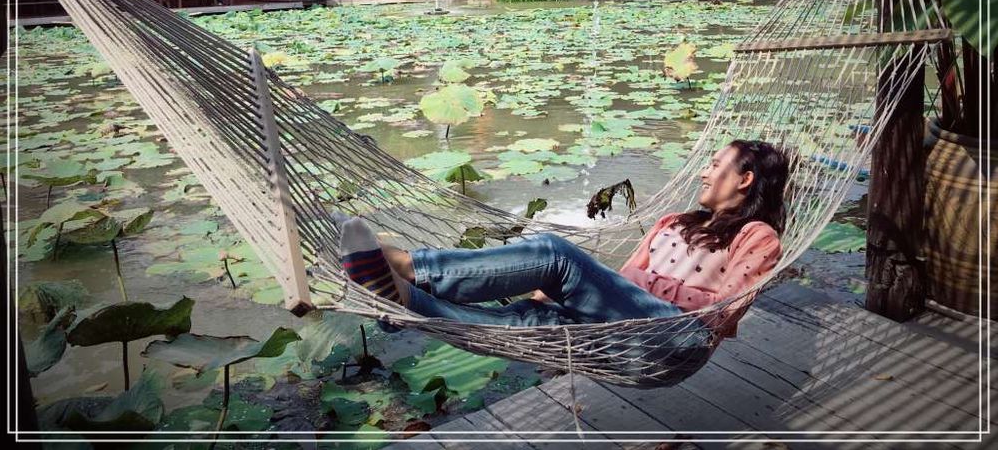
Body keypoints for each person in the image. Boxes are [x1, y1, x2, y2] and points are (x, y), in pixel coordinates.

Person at [339, 140, 791, 372]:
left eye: (715, 165)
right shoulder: (672, 222)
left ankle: (410, 265)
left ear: (745, 179)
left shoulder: (758, 236)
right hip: (624, 331)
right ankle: (405, 301)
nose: (704, 172)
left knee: (556, 256)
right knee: (531, 322)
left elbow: (721, 316)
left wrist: (653, 292)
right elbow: (628, 279)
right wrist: (570, 300)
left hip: (677, 342)